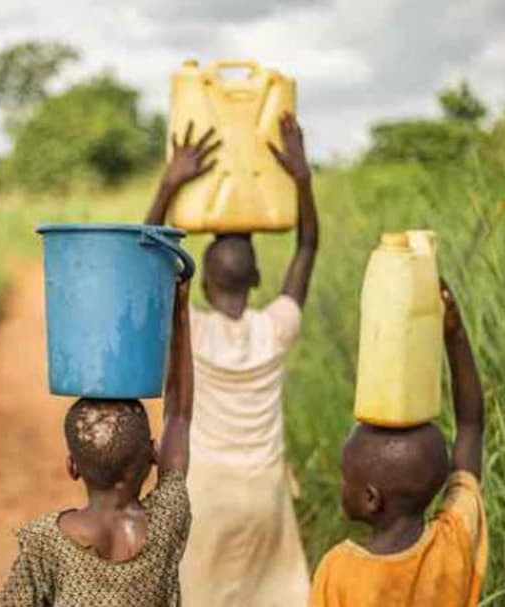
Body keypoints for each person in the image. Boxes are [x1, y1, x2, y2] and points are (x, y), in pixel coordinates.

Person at [146, 115, 318, 606]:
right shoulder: (275, 328)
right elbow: (308, 246)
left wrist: (172, 180)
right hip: (265, 492)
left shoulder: (192, 331)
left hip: (206, 491)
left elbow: (145, 259)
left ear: (202, 285)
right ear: (258, 278)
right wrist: (301, 179)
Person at [0, 278, 195, 606]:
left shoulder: (44, 542)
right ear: (153, 455)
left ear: (72, 467)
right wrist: (180, 310)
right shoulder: (166, 520)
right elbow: (180, 416)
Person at [308, 282, 487, 607]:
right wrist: (455, 334)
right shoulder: (455, 540)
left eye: (346, 477)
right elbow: (471, 426)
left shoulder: (339, 572)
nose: (341, 483)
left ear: (371, 498)